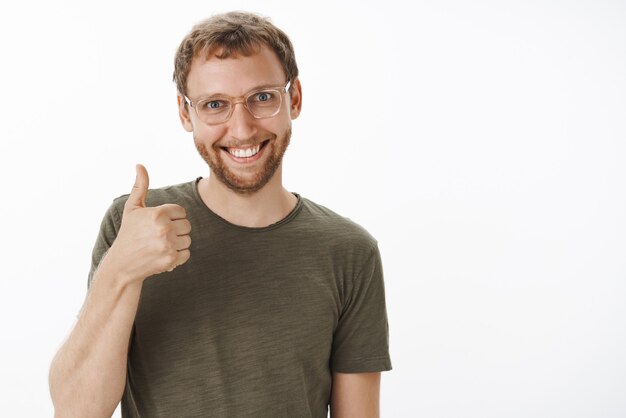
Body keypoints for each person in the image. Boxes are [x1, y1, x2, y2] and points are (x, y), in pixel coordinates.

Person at [49, 11, 391, 418]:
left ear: (293, 98)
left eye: (262, 97)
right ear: (185, 113)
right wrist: (119, 271)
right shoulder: (136, 226)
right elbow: (75, 410)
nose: (242, 128)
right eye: (215, 105)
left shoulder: (350, 252)